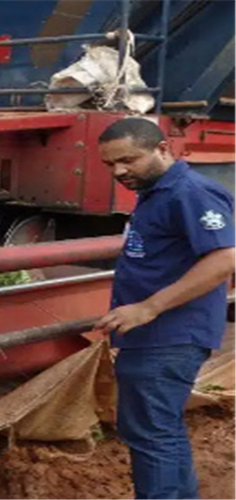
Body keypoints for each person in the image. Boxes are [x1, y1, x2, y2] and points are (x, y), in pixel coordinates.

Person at [96, 118, 236, 500]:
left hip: (169, 334)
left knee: (150, 433)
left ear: (162, 149)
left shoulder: (189, 193)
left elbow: (225, 258)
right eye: (110, 164)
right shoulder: (157, 192)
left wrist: (147, 308)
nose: (119, 171)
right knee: (160, 430)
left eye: (128, 160)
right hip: (158, 335)